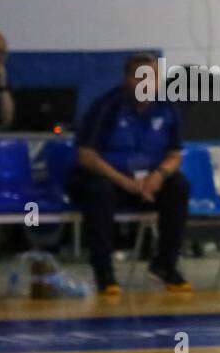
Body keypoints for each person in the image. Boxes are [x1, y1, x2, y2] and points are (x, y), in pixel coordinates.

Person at [70, 54, 191, 296]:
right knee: (98, 190)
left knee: (178, 186)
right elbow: (86, 156)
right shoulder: (106, 106)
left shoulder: (167, 108)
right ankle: (104, 270)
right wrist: (125, 182)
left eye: (153, 77)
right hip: (110, 179)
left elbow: (175, 154)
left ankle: (164, 265)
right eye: (140, 77)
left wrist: (158, 176)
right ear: (127, 79)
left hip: (147, 183)